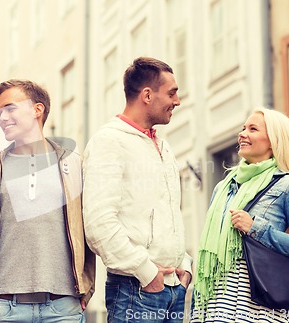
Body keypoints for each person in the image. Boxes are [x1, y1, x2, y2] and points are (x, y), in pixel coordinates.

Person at [0, 79, 95, 322]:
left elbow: (90, 227)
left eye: (10, 108)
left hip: (64, 307)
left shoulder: (74, 165)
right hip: (4, 307)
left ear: (37, 110)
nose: (2, 118)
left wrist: (87, 285)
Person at [82, 57, 192, 323]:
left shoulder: (162, 147)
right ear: (146, 95)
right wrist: (146, 272)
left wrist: (184, 264)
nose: (177, 101)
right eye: (171, 93)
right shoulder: (109, 142)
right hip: (136, 291)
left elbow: (169, 215)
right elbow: (99, 225)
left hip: (173, 288)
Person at [191, 107, 289, 322]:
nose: (242, 134)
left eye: (253, 129)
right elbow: (207, 255)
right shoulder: (223, 187)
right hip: (215, 304)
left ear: (273, 140)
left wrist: (256, 228)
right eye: (243, 128)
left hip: (259, 306)